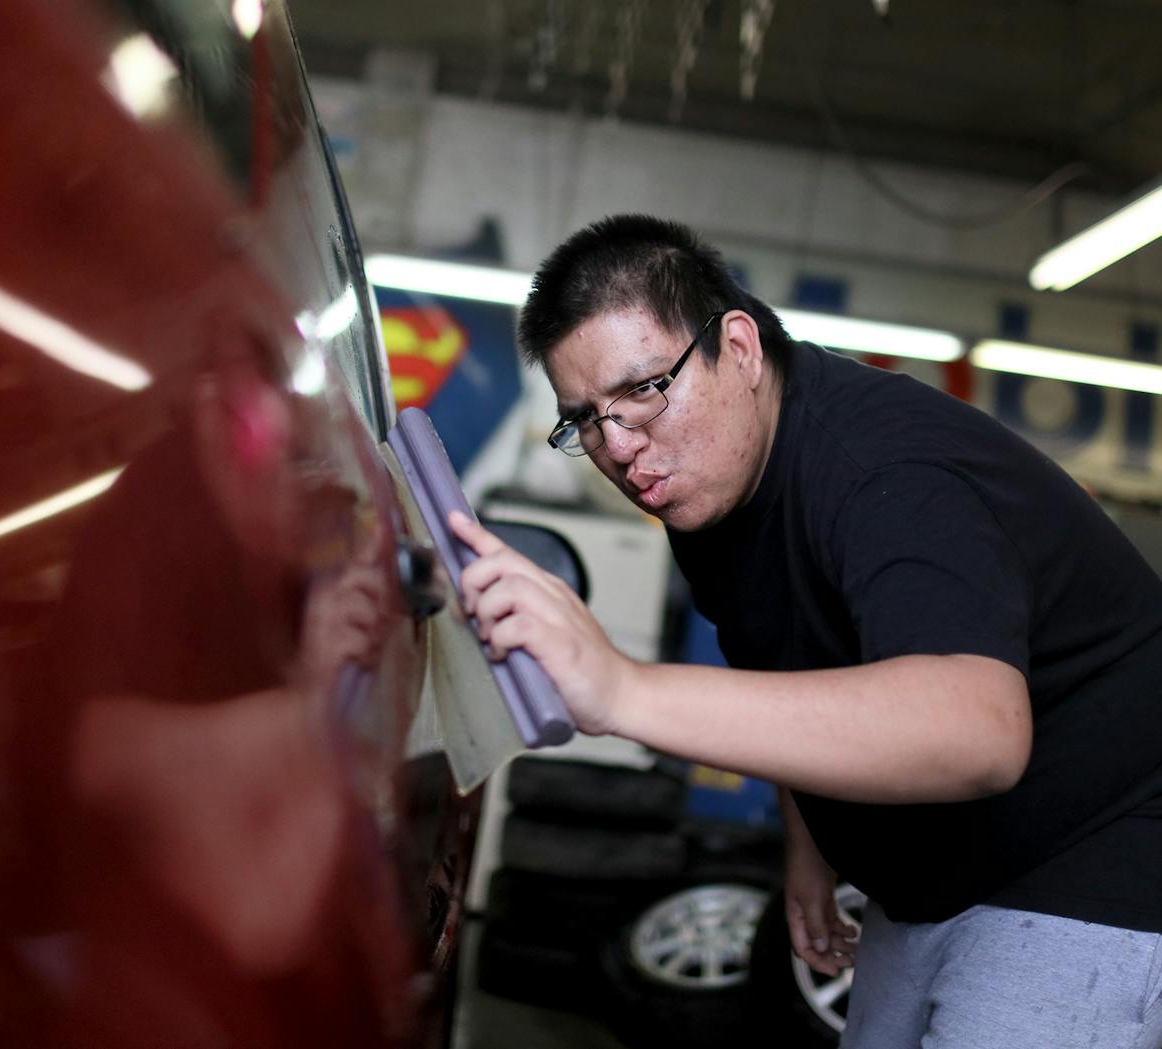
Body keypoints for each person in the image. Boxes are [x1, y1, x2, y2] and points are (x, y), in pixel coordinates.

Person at [447, 214, 1162, 1048]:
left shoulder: (886, 475)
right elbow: (789, 667)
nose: (620, 446)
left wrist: (622, 687)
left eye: (644, 390)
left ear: (740, 350)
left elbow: (976, 730)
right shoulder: (708, 492)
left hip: (1093, 860)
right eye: (586, 420)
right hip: (931, 881)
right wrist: (811, 844)